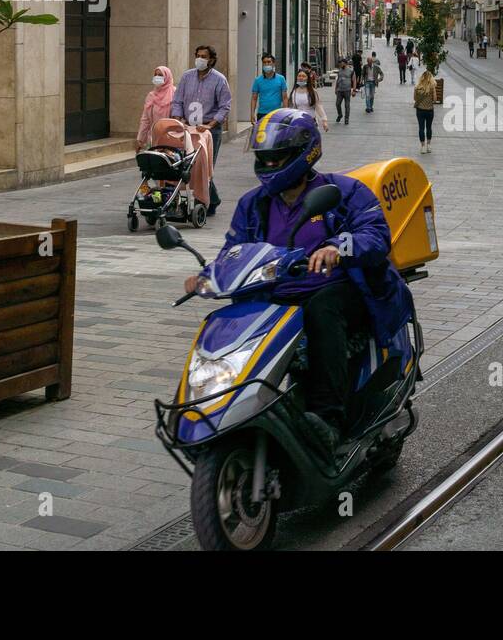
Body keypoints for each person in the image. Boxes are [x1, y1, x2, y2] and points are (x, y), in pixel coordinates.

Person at [185, 109, 412, 452]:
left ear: (304, 155)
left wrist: (338, 247)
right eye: (265, 159)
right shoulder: (253, 205)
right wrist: (208, 276)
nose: (270, 166)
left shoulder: (344, 193)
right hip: (277, 297)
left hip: (341, 291)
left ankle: (328, 419)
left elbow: (376, 235)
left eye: (279, 159)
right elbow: (234, 250)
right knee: (229, 324)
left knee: (322, 309)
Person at [171, 44, 232, 216]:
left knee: (205, 167)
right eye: (198, 55)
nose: (200, 59)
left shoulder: (219, 80)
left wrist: (210, 125)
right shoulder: (187, 77)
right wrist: (178, 119)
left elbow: (225, 106)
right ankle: (211, 199)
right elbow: (177, 101)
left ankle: (204, 200)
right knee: (188, 165)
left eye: (204, 56)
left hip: (208, 131)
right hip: (187, 128)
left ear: (211, 60)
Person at [137, 65, 176, 147]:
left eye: (160, 75)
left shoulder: (175, 93)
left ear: (167, 77)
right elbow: (145, 120)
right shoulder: (151, 96)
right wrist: (140, 140)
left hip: (172, 138)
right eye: (156, 75)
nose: (157, 77)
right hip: (154, 137)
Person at [249, 53, 287, 124]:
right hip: (262, 114)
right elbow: (254, 98)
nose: (267, 64)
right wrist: (252, 114)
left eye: (269, 62)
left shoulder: (281, 79)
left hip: (277, 114)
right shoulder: (258, 80)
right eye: (264, 62)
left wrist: (285, 113)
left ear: (273, 64)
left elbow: (285, 98)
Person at [414, 69, 436, 153]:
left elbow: (415, 99)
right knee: (429, 127)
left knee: (421, 128)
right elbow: (434, 99)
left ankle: (423, 146)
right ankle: (429, 146)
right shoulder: (432, 87)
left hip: (420, 110)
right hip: (430, 110)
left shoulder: (417, 87)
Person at [333, 58, 353, 125]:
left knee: (347, 105)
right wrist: (336, 88)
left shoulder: (350, 70)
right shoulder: (340, 70)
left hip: (347, 90)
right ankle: (340, 114)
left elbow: (354, 80)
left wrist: (354, 90)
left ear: (345, 63)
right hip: (340, 90)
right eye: (340, 63)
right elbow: (338, 79)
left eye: (341, 63)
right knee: (337, 104)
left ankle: (346, 118)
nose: (340, 64)